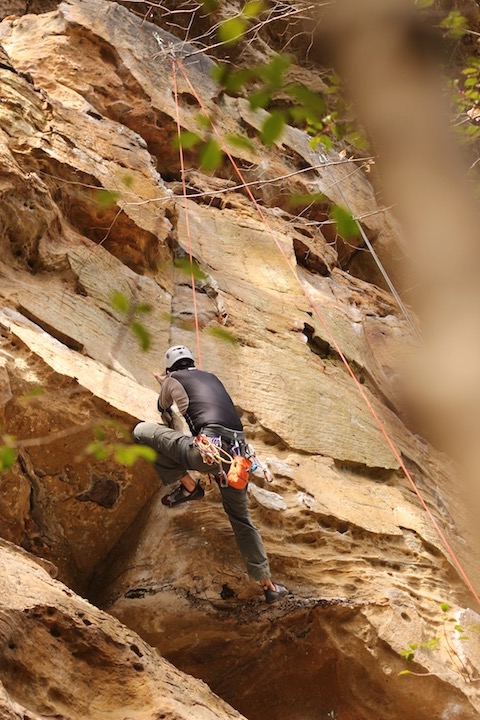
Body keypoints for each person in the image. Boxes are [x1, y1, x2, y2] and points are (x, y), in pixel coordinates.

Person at [133, 345, 288, 604]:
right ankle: (268, 585)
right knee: (241, 518)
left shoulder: (172, 380)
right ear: (192, 362)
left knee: (141, 432)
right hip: (237, 457)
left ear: (169, 368)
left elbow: (163, 408)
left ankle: (189, 487)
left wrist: (165, 383)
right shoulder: (212, 377)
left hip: (205, 452)